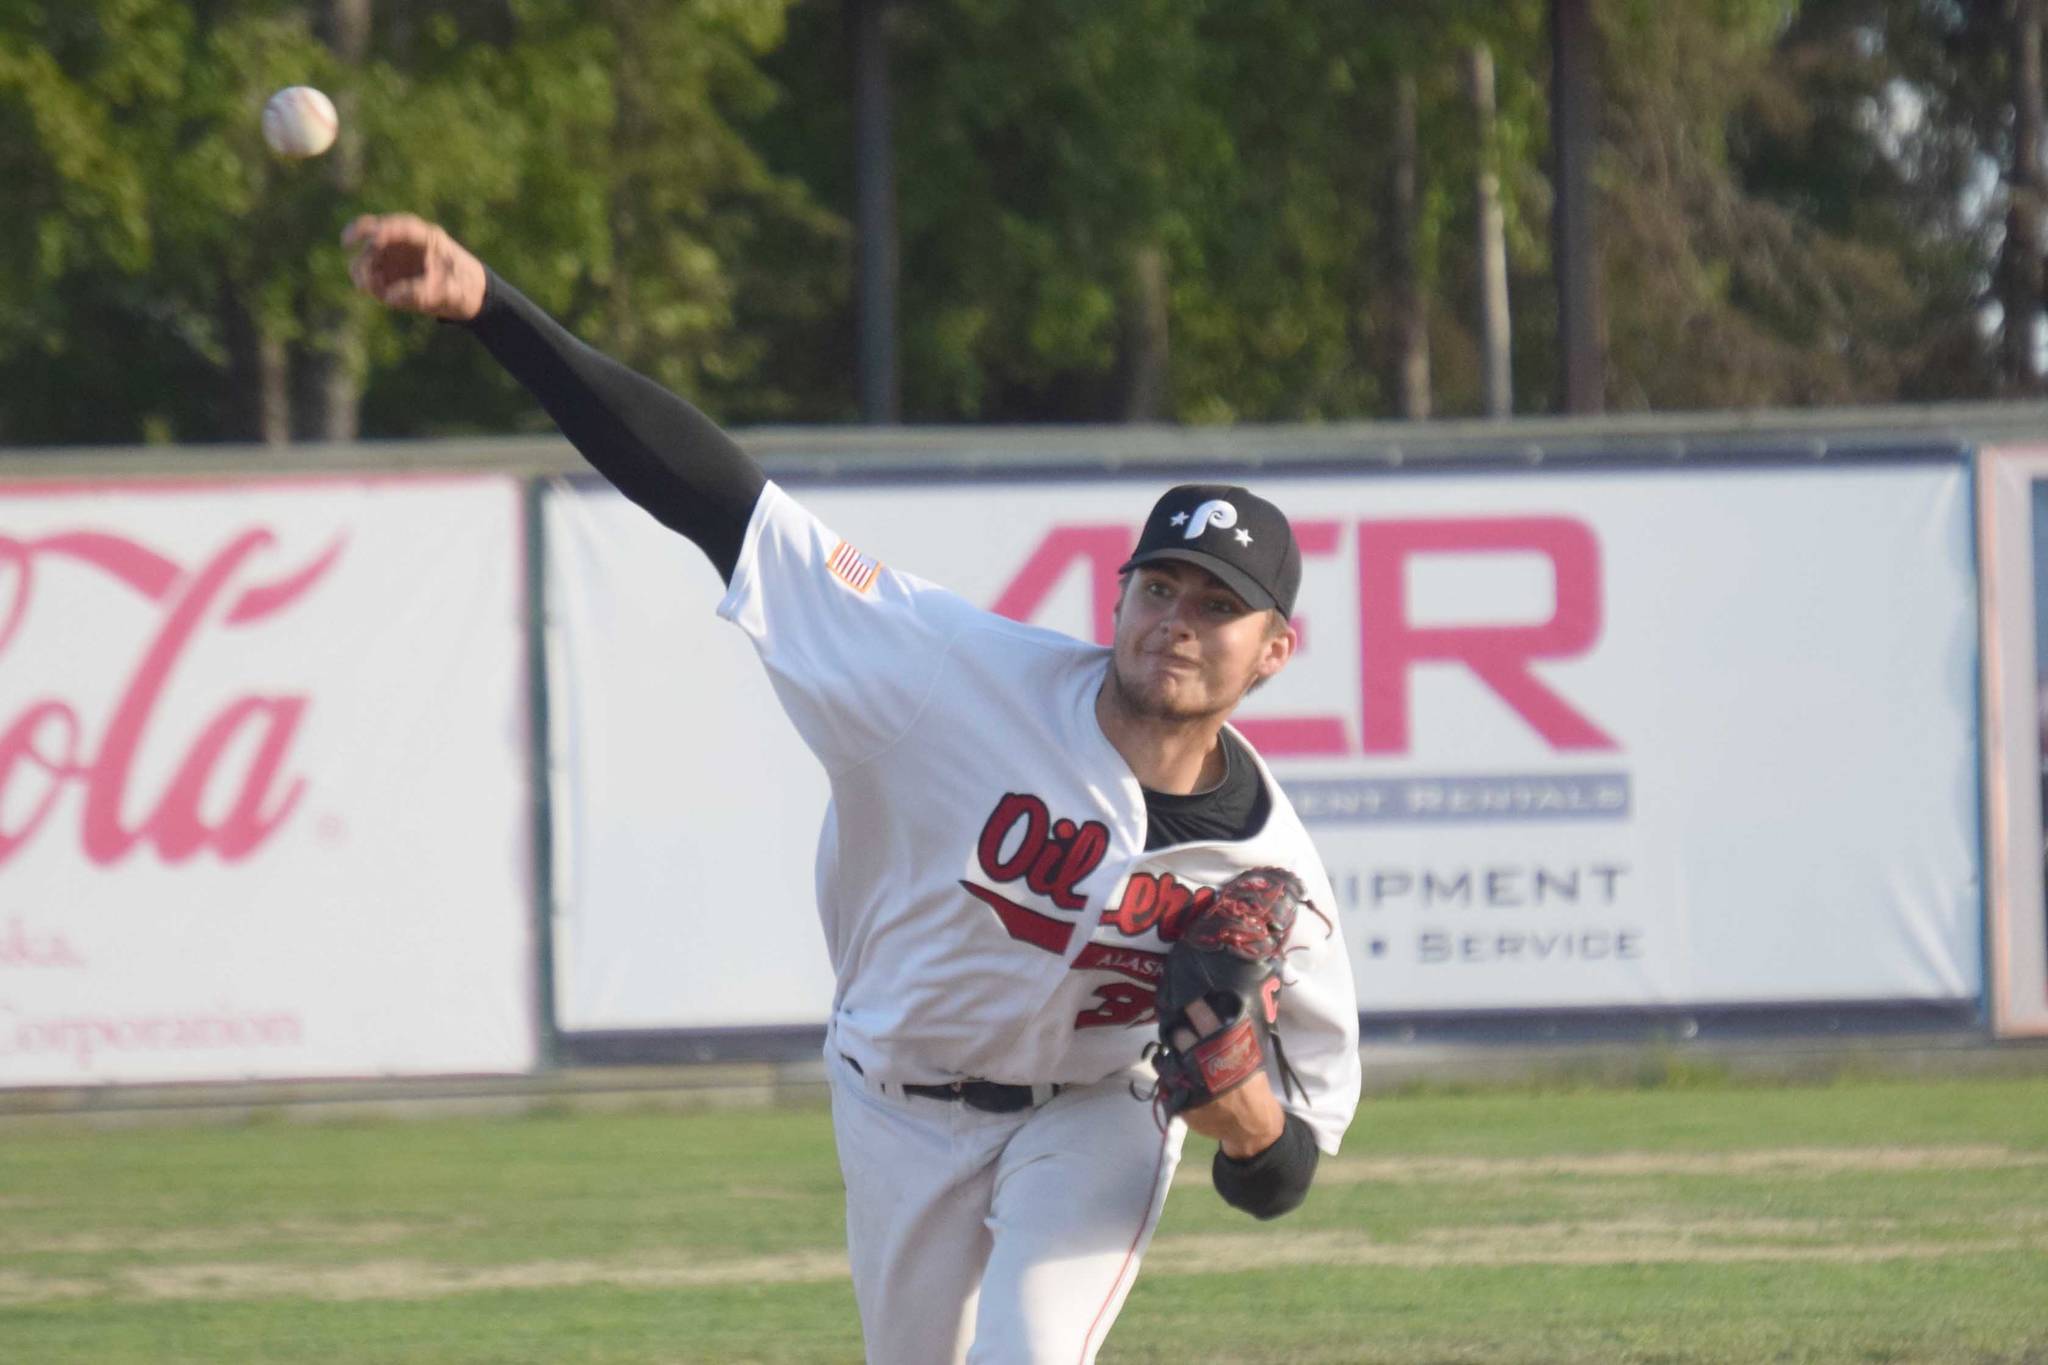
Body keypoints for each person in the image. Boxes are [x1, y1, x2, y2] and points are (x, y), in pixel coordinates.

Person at [343, 213, 1362, 1364]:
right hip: (894, 1097)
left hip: (1095, 1114)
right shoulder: (947, 674)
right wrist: (492, 307)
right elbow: (713, 497)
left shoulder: (1276, 873)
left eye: (1215, 606)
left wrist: (1245, 1123)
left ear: (1272, 650)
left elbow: (1281, 1176)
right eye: (1158, 588)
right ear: (1117, 599)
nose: (1176, 622)